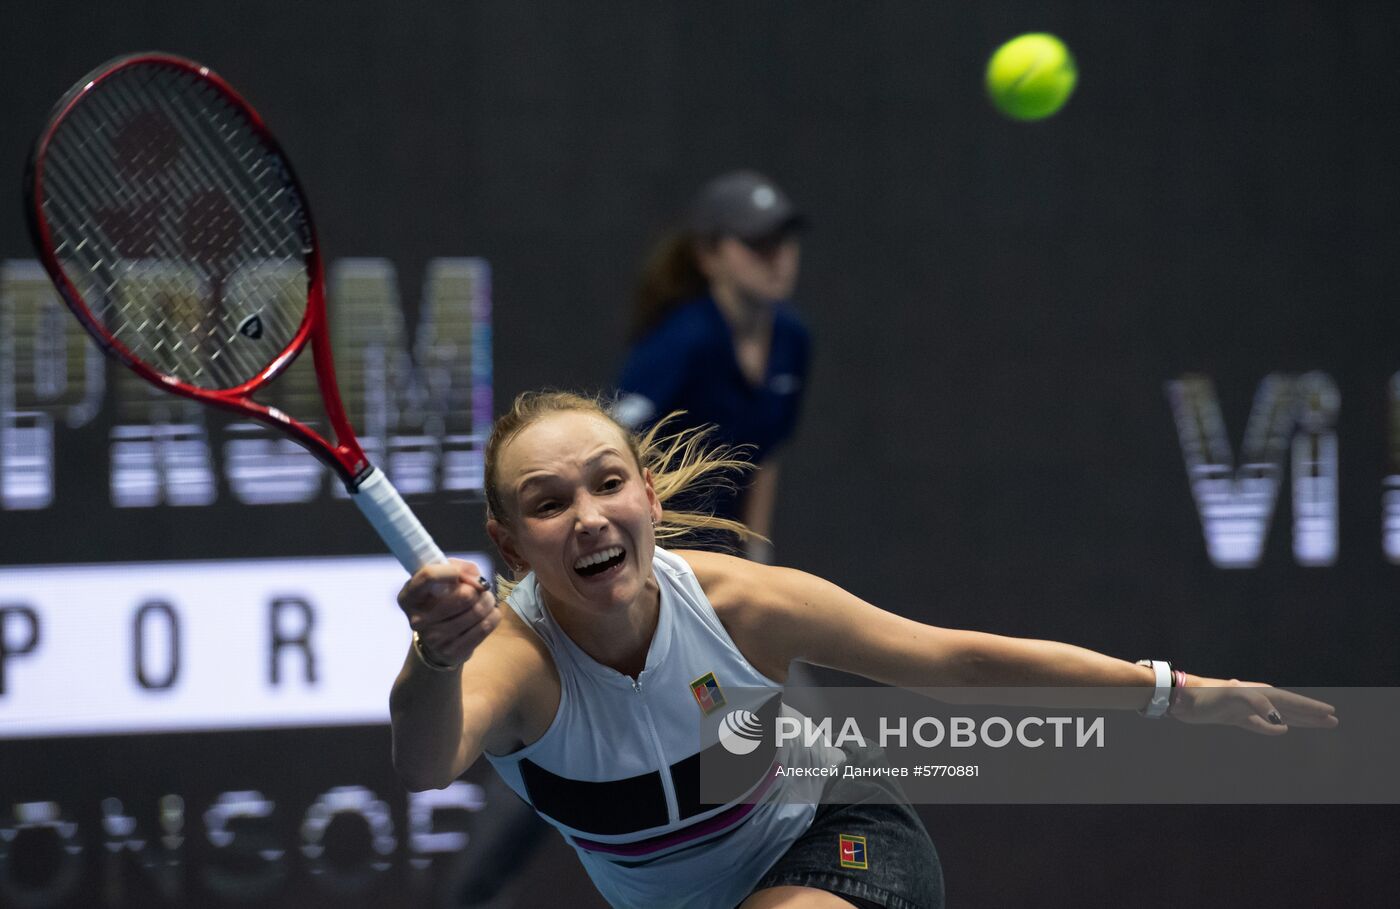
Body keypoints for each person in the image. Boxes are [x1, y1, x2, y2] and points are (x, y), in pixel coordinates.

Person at [390, 391, 1337, 909]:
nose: (589, 516)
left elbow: (958, 662)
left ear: (647, 494)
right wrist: (433, 656)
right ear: (510, 543)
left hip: (838, 842)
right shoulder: (515, 660)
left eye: (607, 484)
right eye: (550, 503)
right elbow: (426, 762)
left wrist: (1176, 690)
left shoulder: (742, 605)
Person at [613, 171, 809, 561]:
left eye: (784, 240)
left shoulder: (793, 338)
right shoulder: (679, 341)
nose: (778, 257)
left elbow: (765, 455)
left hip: (727, 551)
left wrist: (757, 551)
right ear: (708, 256)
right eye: (757, 243)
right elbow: (613, 444)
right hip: (659, 549)